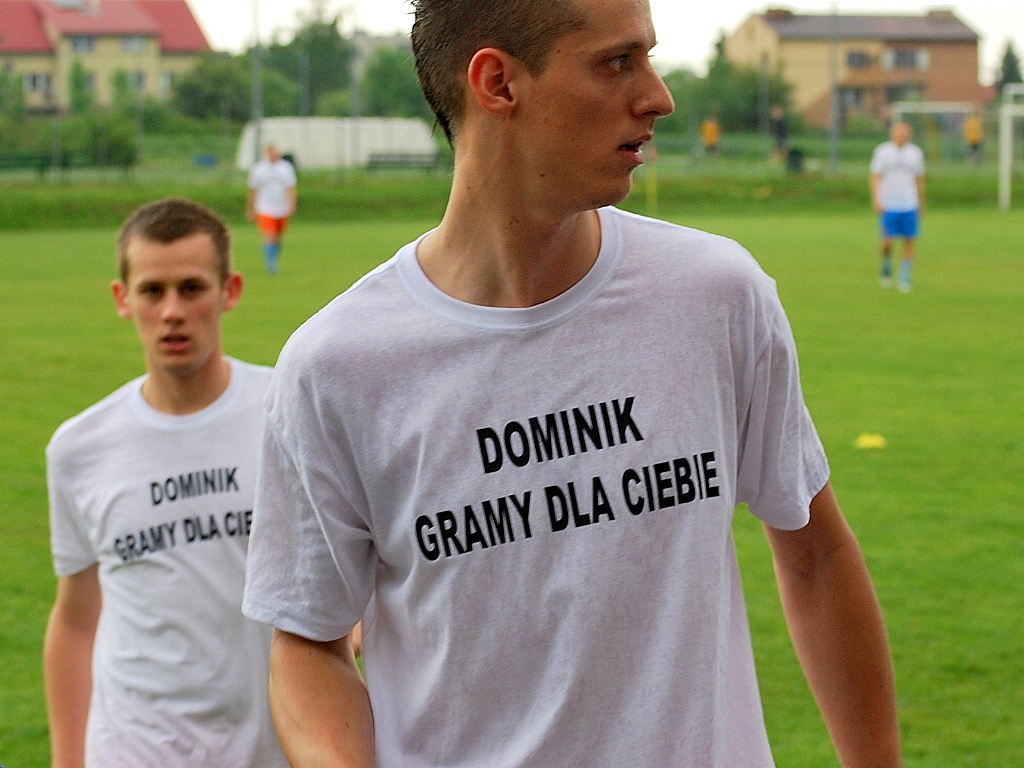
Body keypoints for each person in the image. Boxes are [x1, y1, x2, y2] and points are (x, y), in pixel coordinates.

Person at [242, 1, 903, 767]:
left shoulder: (717, 296)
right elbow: (308, 642)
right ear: (498, 84)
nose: (659, 97)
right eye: (617, 63)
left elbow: (815, 556)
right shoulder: (337, 368)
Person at [43, 198, 287, 768]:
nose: (172, 311)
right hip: (133, 747)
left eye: (192, 288)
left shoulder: (286, 412)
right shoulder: (79, 448)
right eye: (152, 291)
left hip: (266, 742)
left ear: (229, 291)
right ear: (122, 298)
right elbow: (76, 618)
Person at [870, 121, 925, 292]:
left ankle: (904, 278)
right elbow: (875, 177)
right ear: (892, 134)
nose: (901, 136)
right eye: (899, 132)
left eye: (904, 133)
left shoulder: (915, 153)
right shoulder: (882, 152)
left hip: (909, 203)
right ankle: (886, 268)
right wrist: (877, 199)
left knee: (909, 241)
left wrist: (920, 203)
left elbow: (919, 180)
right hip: (889, 204)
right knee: (887, 241)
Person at [246, 143, 297, 275]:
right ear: (267, 154)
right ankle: (271, 264)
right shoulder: (258, 169)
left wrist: (292, 204)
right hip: (264, 208)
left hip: (281, 208)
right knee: (270, 236)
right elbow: (253, 191)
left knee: (278, 238)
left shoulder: (286, 168)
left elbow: (290, 188)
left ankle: (273, 258)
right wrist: (250, 209)